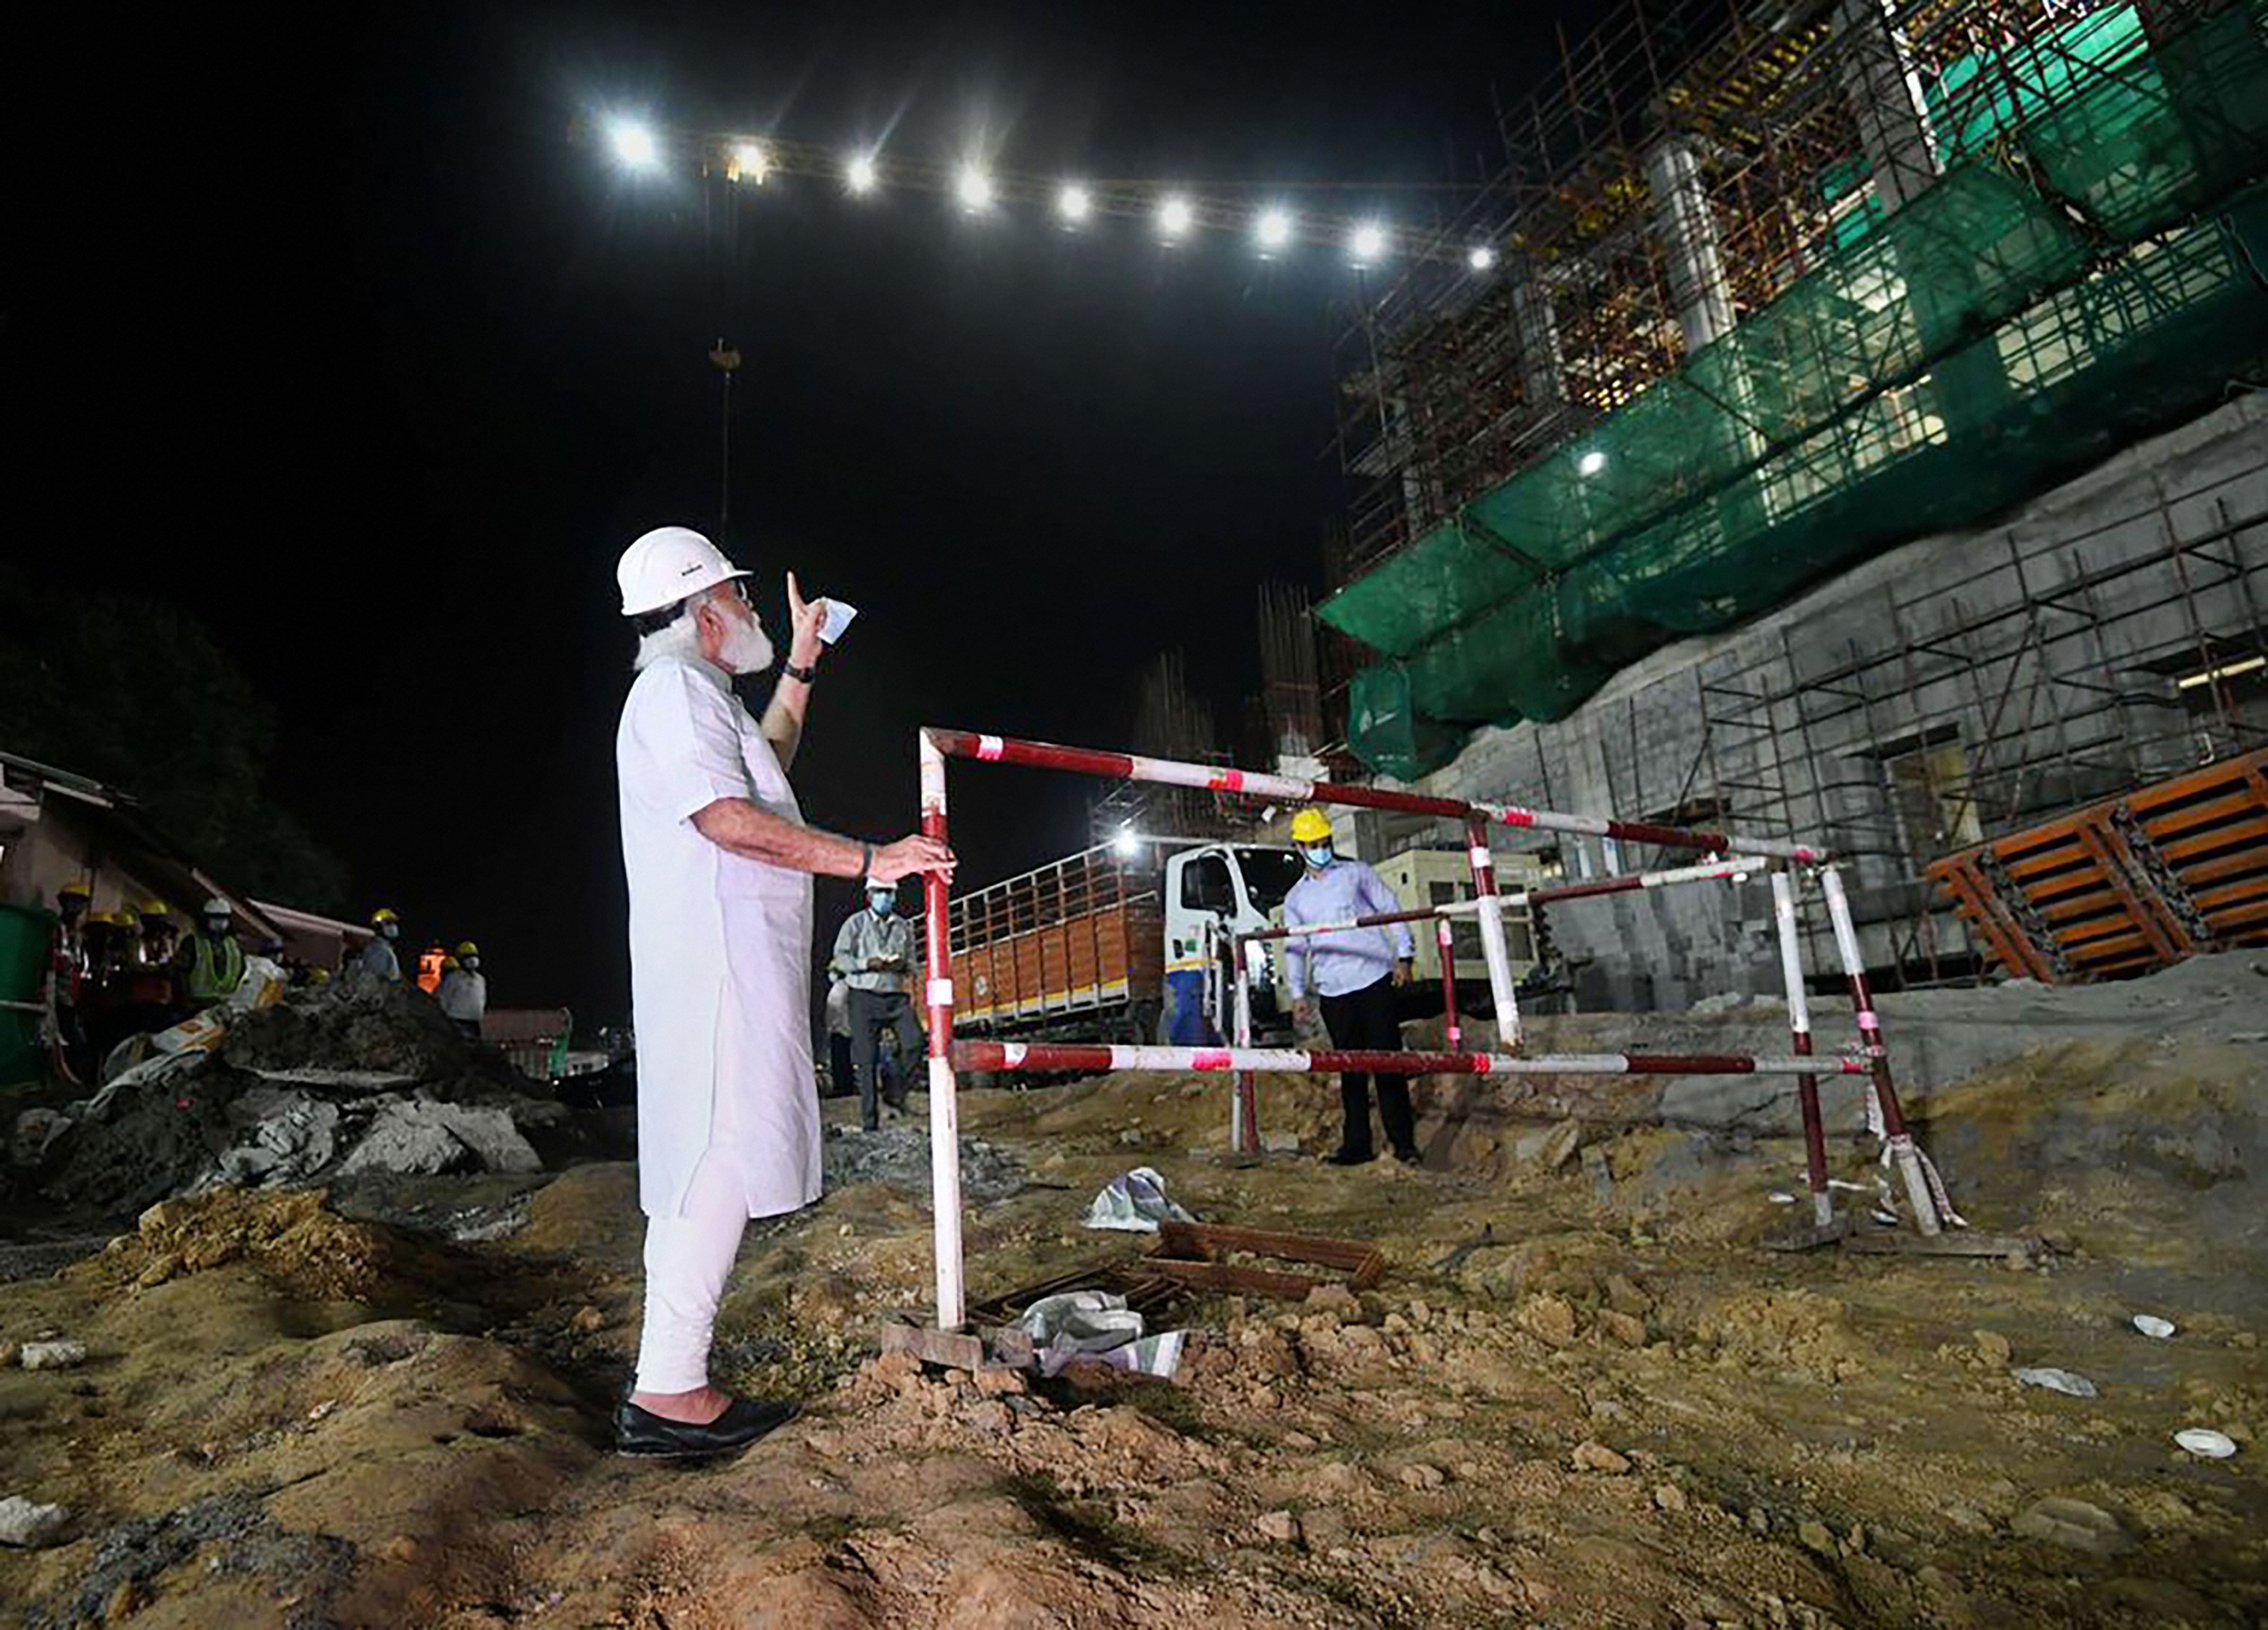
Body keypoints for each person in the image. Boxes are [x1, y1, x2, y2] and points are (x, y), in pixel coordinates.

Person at [612, 523, 953, 1459]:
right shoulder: (674, 696)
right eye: (744, 598)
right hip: (719, 964)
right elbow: (726, 819)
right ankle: (669, 1391)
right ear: (702, 610)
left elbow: (766, 767)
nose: (755, 609)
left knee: (700, 1163)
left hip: (727, 960)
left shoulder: (697, 700)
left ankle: (666, 1381)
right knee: (714, 1160)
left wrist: (801, 662)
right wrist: (873, 859)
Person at [1281, 809, 1419, 1167]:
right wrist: (1297, 992)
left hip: (1373, 979)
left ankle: (1404, 1146)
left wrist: (1404, 956)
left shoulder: (1356, 874)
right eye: (1313, 844)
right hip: (1333, 991)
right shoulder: (1295, 900)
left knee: (1388, 1065)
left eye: (1325, 842)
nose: (1321, 849)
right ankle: (1357, 1147)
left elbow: (1391, 908)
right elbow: (1295, 947)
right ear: (1299, 847)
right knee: (1351, 1072)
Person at [827, 880, 924, 1132]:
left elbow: (914, 963)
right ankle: (870, 1125)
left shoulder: (904, 927)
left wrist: (902, 966)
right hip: (864, 998)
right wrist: (867, 963)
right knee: (867, 1061)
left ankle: (894, 1091)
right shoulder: (855, 924)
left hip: (895, 996)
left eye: (889, 893)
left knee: (915, 1042)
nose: (885, 897)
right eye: (880, 893)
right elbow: (840, 959)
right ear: (869, 896)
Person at [177, 896, 248, 1011]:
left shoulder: (234, 944)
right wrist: (186, 1001)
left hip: (227, 1005)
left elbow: (241, 970)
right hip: (198, 1005)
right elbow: (180, 973)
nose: (220, 922)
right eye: (215, 918)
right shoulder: (192, 943)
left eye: (223, 918)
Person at [436, 940, 488, 1038]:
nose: (472, 959)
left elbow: (482, 999)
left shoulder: (481, 980)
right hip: (457, 1021)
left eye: (474, 955)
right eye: (468, 956)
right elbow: (444, 999)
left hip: (475, 1021)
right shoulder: (453, 978)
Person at [823, 975, 855, 1100]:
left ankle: (844, 1086)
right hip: (839, 1029)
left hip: (842, 1029)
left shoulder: (843, 988)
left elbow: (839, 1010)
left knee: (841, 1059)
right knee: (840, 1060)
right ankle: (844, 1085)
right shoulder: (839, 988)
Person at [354, 908, 404, 988]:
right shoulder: (378, 950)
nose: (394, 927)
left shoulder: (385, 948)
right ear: (378, 927)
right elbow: (376, 979)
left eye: (394, 923)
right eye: (389, 923)